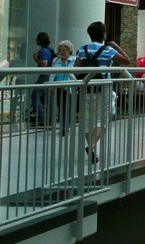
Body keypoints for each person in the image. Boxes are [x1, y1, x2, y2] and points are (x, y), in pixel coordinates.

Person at [75, 21, 130, 165]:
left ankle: (92, 149)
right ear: (104, 34)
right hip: (103, 88)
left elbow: (76, 69)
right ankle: (92, 146)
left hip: (86, 87)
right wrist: (116, 46)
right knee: (103, 120)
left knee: (87, 120)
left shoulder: (82, 49)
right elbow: (126, 60)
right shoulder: (107, 50)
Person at [49, 40, 76, 135]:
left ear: (69, 50)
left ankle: (65, 126)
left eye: (64, 50)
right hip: (58, 86)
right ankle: (63, 126)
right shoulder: (55, 61)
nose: (62, 52)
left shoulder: (74, 60)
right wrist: (50, 85)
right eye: (60, 50)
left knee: (67, 107)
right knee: (61, 108)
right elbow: (52, 74)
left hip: (70, 87)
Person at [30, 31, 54, 125]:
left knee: (35, 95)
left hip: (44, 76)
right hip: (50, 76)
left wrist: (36, 59)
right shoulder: (49, 50)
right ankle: (51, 117)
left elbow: (44, 64)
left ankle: (43, 117)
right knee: (50, 97)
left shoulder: (43, 51)